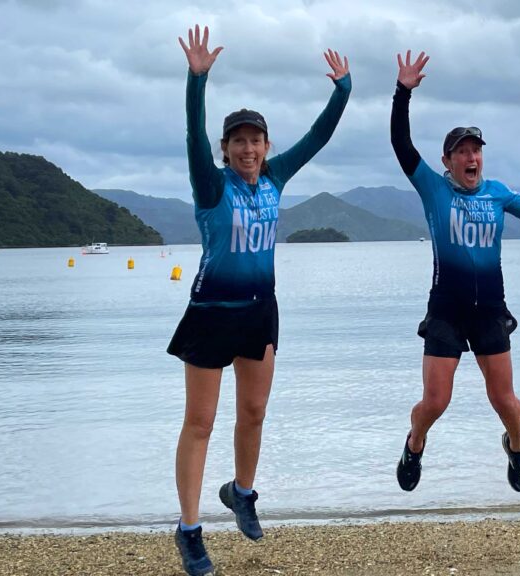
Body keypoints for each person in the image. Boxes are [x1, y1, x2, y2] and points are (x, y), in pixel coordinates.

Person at [168, 25, 351, 576]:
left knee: (253, 412)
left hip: (259, 311)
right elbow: (192, 138)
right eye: (238, 141)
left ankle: (242, 491)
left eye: (256, 140)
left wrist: (342, 91)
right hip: (210, 313)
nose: (248, 148)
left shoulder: (275, 177)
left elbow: (318, 138)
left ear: (266, 147)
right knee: (200, 422)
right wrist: (196, 81)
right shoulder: (211, 184)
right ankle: (190, 530)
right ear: (227, 150)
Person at [390, 50, 520, 494]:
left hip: (489, 308)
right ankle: (415, 443)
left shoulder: (498, 193)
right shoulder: (433, 188)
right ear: (448, 161)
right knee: (436, 400)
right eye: (462, 152)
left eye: (476, 151)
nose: (471, 158)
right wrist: (402, 92)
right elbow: (400, 144)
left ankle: (516, 444)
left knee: (505, 399)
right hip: (446, 309)